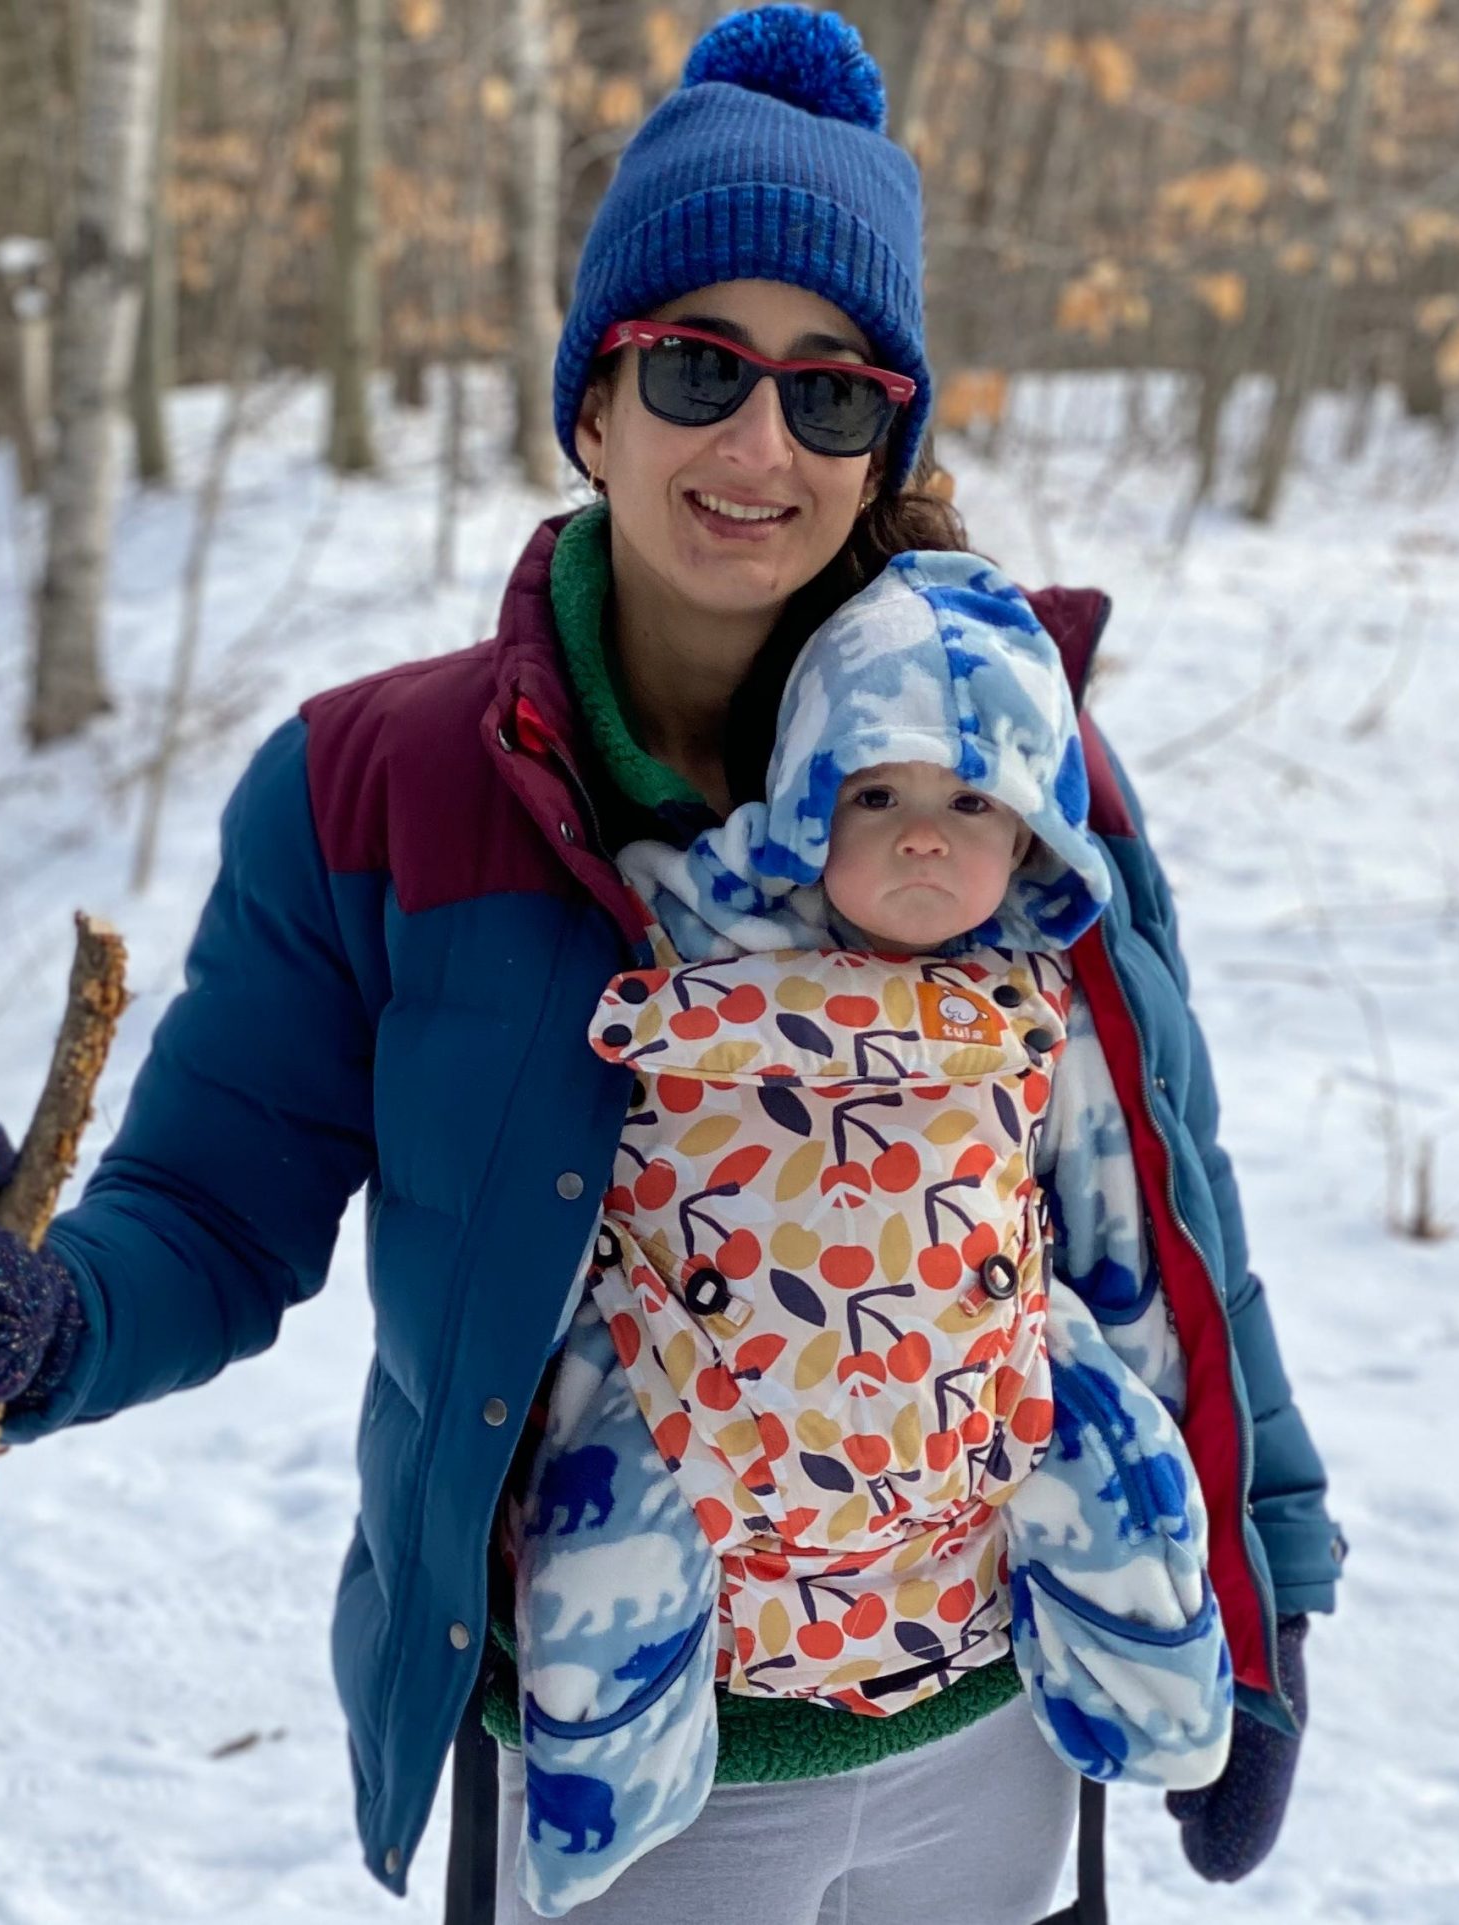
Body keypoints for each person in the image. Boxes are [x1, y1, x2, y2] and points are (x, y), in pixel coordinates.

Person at [0, 7, 1346, 1920]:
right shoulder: (371, 790)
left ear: (887, 432)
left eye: (829, 392)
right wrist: (48, 1323)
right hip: (612, 1759)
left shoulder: (1008, 765)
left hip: (995, 1737)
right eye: (697, 368)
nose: (759, 442)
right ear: (591, 400)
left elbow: (1163, 1199)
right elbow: (216, 1212)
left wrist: (1268, 1593)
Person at [501, 550, 1233, 1918]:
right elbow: (533, 1208)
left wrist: (1233, 1545)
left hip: (976, 1420)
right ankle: (605, 1791)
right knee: (606, 1545)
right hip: (697, 1396)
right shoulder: (682, 944)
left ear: (1034, 836)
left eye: (973, 802)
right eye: (875, 793)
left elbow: (1121, 1229)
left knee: (1122, 1465)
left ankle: (1170, 1692)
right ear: (795, 808)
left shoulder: (1044, 1005)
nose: (920, 836)